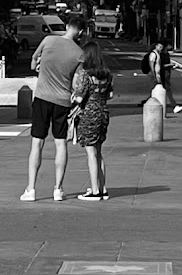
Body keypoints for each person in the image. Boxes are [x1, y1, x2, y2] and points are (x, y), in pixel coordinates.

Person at [21, 12, 86, 202]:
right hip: (62, 101)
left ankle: (31, 189)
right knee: (60, 143)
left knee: (37, 142)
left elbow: (34, 62)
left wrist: (40, 67)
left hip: (42, 97)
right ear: (80, 32)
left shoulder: (48, 40)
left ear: (67, 27)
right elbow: (77, 82)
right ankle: (58, 188)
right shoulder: (79, 54)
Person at [71, 38, 113, 201]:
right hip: (103, 112)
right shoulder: (106, 74)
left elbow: (80, 98)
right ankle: (102, 188)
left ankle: (95, 191)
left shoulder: (85, 73)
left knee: (91, 152)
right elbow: (109, 94)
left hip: (89, 113)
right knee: (99, 152)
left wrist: (73, 96)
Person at [147, 39, 182, 113]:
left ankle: (148, 103)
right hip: (160, 74)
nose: (161, 48)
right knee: (165, 89)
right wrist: (155, 74)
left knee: (158, 89)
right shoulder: (155, 54)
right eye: (160, 47)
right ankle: (174, 106)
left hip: (161, 74)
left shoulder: (160, 54)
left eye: (161, 47)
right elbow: (154, 65)